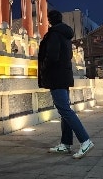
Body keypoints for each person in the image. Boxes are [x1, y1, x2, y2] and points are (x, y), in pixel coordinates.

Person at [38, 10, 94, 159]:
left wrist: (43, 67)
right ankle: (65, 143)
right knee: (65, 110)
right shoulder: (66, 35)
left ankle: (85, 140)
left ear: (50, 20)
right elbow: (67, 55)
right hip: (64, 75)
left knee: (65, 110)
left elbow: (52, 56)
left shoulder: (54, 34)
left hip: (55, 76)